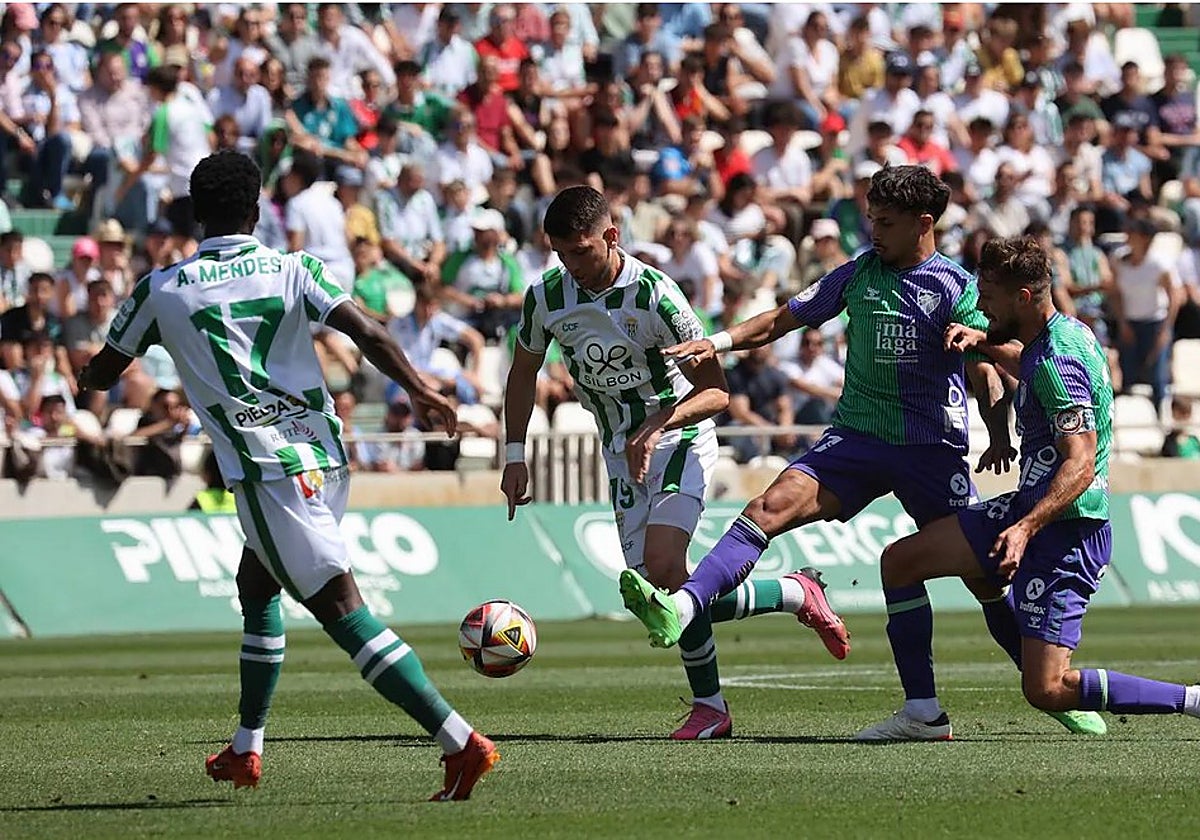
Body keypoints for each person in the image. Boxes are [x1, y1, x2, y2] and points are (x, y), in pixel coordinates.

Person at [621, 166, 1105, 737]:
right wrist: (719, 340)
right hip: (855, 439)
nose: (872, 229)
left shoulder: (956, 287)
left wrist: (996, 424)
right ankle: (684, 607)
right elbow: (784, 318)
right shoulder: (858, 273)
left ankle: (1051, 688)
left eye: (886, 222)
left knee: (984, 582)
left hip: (932, 451)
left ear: (924, 225)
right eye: (871, 217)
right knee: (766, 509)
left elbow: (995, 358)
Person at [77, 150, 497, 800]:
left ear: (196, 213)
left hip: (266, 469)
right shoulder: (293, 268)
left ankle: (459, 742)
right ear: (257, 208)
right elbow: (368, 332)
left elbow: (103, 373)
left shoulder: (160, 289)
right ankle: (247, 749)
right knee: (257, 584)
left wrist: (103, 365)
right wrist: (421, 389)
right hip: (325, 456)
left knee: (340, 609)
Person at [500, 185, 842, 740]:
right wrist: (515, 453)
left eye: (581, 251)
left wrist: (658, 425)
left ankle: (710, 708)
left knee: (662, 568)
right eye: (561, 253)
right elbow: (523, 372)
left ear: (612, 237)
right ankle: (793, 593)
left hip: (679, 436)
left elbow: (716, 392)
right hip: (620, 449)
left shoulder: (656, 296)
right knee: (660, 596)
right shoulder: (546, 297)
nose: (572, 265)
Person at [868, 235, 1200, 737]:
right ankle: (922, 714)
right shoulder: (1060, 337)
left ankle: (1192, 699)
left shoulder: (1060, 359)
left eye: (989, 296)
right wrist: (982, 342)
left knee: (1045, 689)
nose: (979, 305)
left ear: (1022, 298)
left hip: (1067, 530)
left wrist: (1025, 528)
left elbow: (1081, 463)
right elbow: (1033, 367)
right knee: (901, 561)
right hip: (1031, 507)